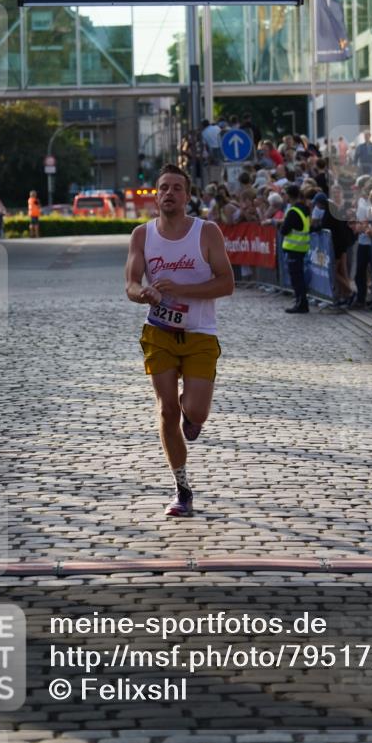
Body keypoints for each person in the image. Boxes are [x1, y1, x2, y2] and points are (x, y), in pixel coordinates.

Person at [125, 163, 234, 518]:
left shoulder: (207, 232)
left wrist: (182, 289)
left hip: (201, 333)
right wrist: (143, 294)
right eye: (163, 188)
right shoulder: (142, 235)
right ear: (155, 196)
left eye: (176, 188)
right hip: (159, 333)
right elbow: (130, 284)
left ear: (187, 196)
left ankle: (194, 415)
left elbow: (226, 283)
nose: (169, 193)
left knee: (196, 411)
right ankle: (181, 488)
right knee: (166, 409)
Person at [280, 184, 310, 314]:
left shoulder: (293, 211)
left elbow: (284, 230)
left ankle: (301, 304)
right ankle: (301, 301)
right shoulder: (304, 208)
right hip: (302, 248)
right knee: (299, 277)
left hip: (294, 248)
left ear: (289, 195)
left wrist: (282, 225)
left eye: (285, 194)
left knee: (296, 278)